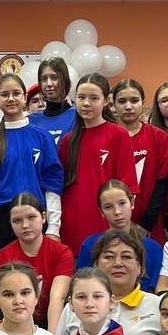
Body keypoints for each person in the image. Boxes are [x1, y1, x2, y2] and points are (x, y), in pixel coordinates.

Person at [0, 72, 66, 249]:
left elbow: (52, 183)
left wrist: (53, 228)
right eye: (4, 94)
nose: (11, 99)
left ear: (24, 98)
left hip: (35, 214)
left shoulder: (42, 137)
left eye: (16, 93)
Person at [57, 73, 136, 253]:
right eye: (81, 97)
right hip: (73, 222)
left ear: (106, 101)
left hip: (106, 220)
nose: (86, 103)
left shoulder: (118, 134)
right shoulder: (68, 141)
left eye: (93, 98)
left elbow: (127, 183)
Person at [64, 229, 164, 335]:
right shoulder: (75, 305)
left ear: (140, 267)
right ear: (95, 266)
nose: (118, 263)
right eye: (109, 257)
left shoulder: (159, 306)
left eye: (126, 257)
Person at [0, 193, 73, 332]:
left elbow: (57, 297)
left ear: (43, 217)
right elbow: (7, 300)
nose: (25, 225)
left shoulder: (61, 252)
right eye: (17, 221)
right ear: (10, 223)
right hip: (16, 319)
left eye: (31, 217)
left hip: (52, 319)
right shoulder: (3, 256)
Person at [75, 180, 164, 290]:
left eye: (122, 203)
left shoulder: (153, 248)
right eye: (108, 207)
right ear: (101, 212)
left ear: (132, 203)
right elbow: (83, 286)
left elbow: (155, 289)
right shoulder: (90, 245)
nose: (117, 212)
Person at [113, 79, 168, 241]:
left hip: (148, 224)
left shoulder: (158, 137)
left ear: (143, 102)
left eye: (134, 100)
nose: (128, 106)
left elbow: (163, 183)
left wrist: (146, 223)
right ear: (113, 105)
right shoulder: (107, 137)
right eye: (122, 101)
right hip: (112, 221)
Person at [29, 57, 77, 146]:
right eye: (44, 79)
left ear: (65, 80)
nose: (49, 84)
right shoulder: (31, 120)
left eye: (54, 78)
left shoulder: (78, 116)